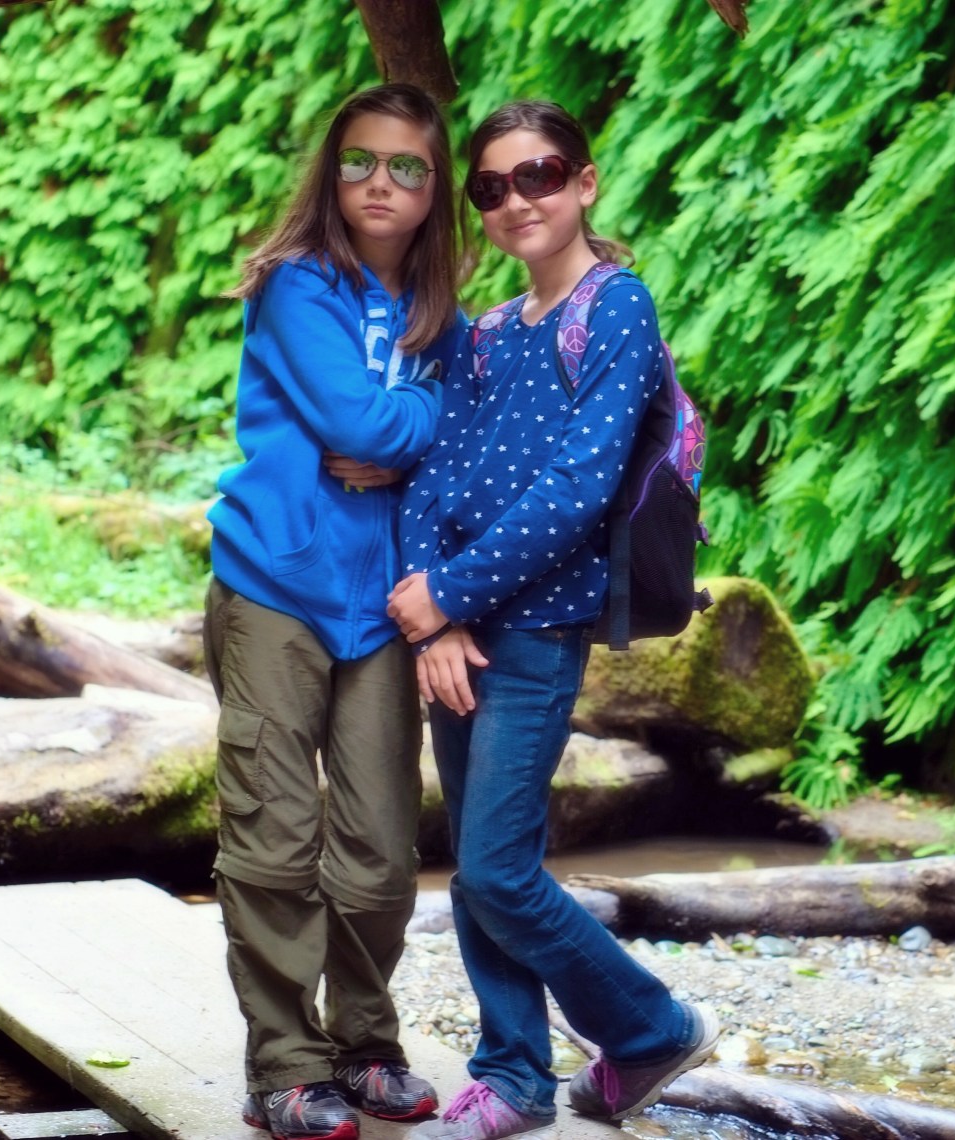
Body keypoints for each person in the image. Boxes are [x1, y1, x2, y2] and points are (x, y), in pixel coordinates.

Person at [386, 100, 720, 1140]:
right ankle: (515, 1075)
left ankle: (653, 1027)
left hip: (536, 628)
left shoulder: (616, 307)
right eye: (492, 187)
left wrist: (451, 594)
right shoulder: (487, 332)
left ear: (583, 182)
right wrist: (434, 615)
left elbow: (580, 486)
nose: (516, 200)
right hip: (461, 629)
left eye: (537, 175)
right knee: (482, 866)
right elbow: (431, 473)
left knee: (494, 867)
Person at [203, 83, 464, 1140]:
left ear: (435, 187)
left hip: (386, 605)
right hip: (277, 585)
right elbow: (359, 422)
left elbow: (444, 431)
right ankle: (283, 1065)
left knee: (380, 852)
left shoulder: (441, 307)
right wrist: (416, 422)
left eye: (406, 166)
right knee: (274, 837)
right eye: (360, 160)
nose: (380, 183)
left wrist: (415, 426)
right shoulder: (297, 283)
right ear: (332, 170)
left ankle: (364, 1043)